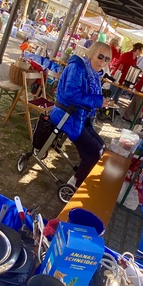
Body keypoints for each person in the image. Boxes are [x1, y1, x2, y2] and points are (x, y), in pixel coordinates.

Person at [49, 42, 112, 187]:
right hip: (65, 115)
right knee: (95, 151)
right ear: (91, 54)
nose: (103, 62)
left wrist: (101, 102)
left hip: (79, 116)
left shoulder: (93, 73)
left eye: (107, 59)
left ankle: (78, 178)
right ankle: (76, 185)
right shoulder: (77, 67)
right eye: (100, 56)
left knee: (101, 147)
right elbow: (71, 95)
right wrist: (97, 101)